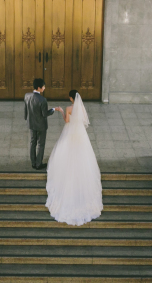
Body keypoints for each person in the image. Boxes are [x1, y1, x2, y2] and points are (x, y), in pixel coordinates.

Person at [45, 90, 103, 226]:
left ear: (71, 98)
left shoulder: (69, 108)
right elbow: (83, 121)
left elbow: (67, 121)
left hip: (71, 133)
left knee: (64, 154)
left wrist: (61, 111)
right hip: (80, 135)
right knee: (83, 158)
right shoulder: (82, 108)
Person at [24, 78, 62, 170]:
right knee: (41, 144)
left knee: (32, 142)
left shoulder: (27, 96)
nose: (44, 88)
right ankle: (38, 164)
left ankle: (33, 162)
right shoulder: (43, 100)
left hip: (31, 124)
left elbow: (26, 108)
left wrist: (26, 118)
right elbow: (45, 114)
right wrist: (54, 109)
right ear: (39, 88)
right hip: (41, 126)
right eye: (43, 86)